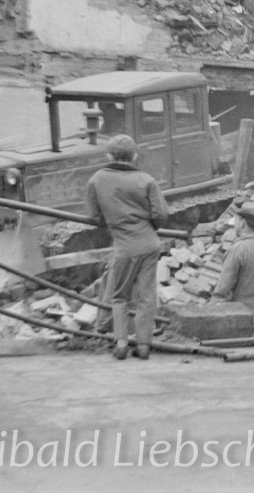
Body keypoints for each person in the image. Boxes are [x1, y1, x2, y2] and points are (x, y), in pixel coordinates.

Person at [86, 134, 169, 361]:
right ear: (134, 156)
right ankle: (143, 346)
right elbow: (161, 214)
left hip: (124, 246)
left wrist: (114, 222)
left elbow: (94, 216)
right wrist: (148, 227)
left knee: (119, 296)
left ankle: (121, 344)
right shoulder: (147, 180)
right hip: (150, 244)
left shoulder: (97, 179)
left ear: (108, 156)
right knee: (146, 296)